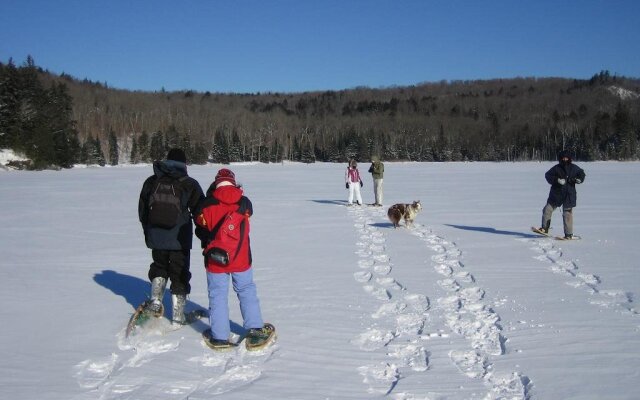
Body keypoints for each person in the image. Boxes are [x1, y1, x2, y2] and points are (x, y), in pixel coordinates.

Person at [195, 168, 274, 350]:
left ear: (216, 183)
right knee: (246, 290)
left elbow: (200, 226)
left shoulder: (206, 205)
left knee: (217, 296)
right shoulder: (244, 203)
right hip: (241, 258)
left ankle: (220, 336)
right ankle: (254, 328)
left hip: (216, 260)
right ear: (233, 182)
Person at [138, 148, 204, 325]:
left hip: (157, 237)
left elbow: (143, 210)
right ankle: (178, 315)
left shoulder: (152, 181)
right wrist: (204, 236)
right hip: (179, 239)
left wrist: (148, 232)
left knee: (159, 266)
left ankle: (155, 302)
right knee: (179, 273)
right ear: (184, 164)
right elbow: (201, 213)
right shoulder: (189, 183)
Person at [536, 150, 586, 239]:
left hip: (569, 195)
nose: (565, 159)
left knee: (567, 214)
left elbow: (582, 174)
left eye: (566, 158)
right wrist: (557, 180)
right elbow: (548, 175)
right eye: (563, 158)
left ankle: (568, 234)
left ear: (569, 158)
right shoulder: (556, 168)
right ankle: (544, 229)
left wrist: (579, 179)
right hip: (556, 194)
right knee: (547, 209)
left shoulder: (574, 168)